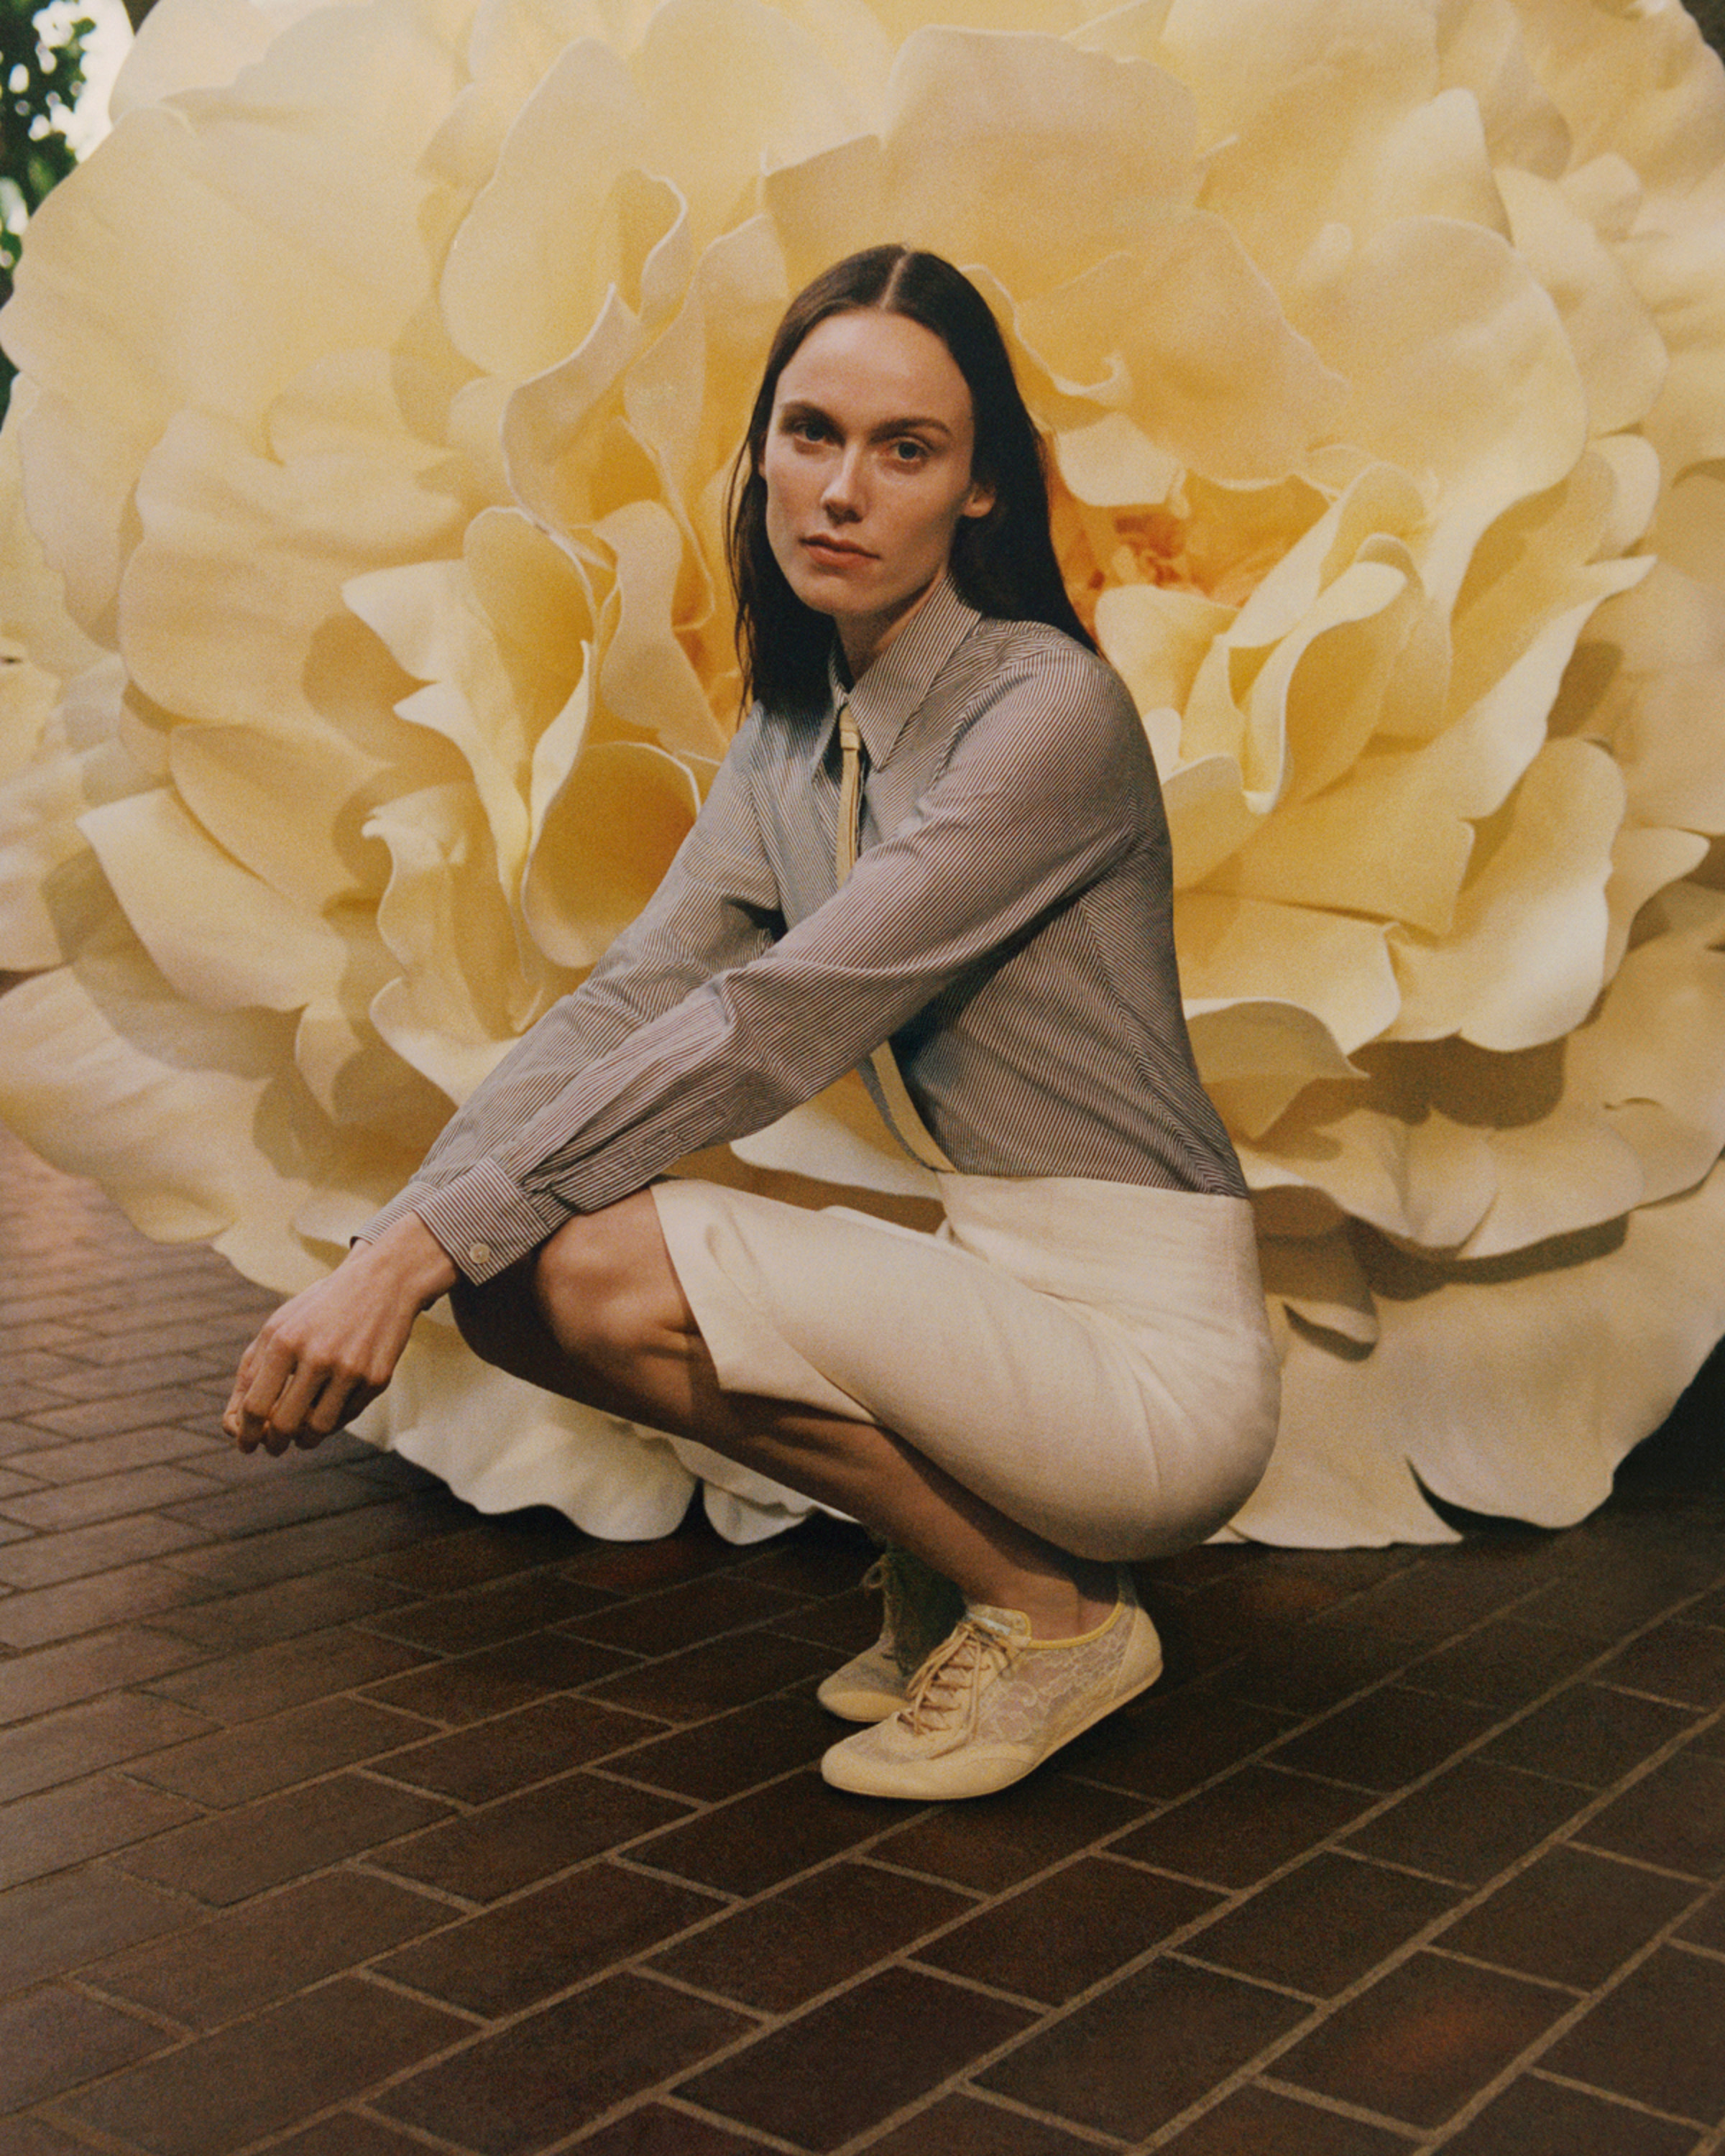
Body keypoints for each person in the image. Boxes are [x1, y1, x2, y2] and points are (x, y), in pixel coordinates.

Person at [224, 245, 1281, 1801]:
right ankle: (960, 1557)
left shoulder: (1045, 713)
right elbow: (631, 1000)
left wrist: (406, 1256)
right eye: (809, 432)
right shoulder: (798, 734)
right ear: (765, 454)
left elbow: (773, 1025)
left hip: (1147, 1365)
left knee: (568, 1257)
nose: (840, 490)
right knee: (511, 1276)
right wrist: (404, 1241)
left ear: (981, 490)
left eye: (904, 449)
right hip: (1004, 1298)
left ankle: (1054, 1613)